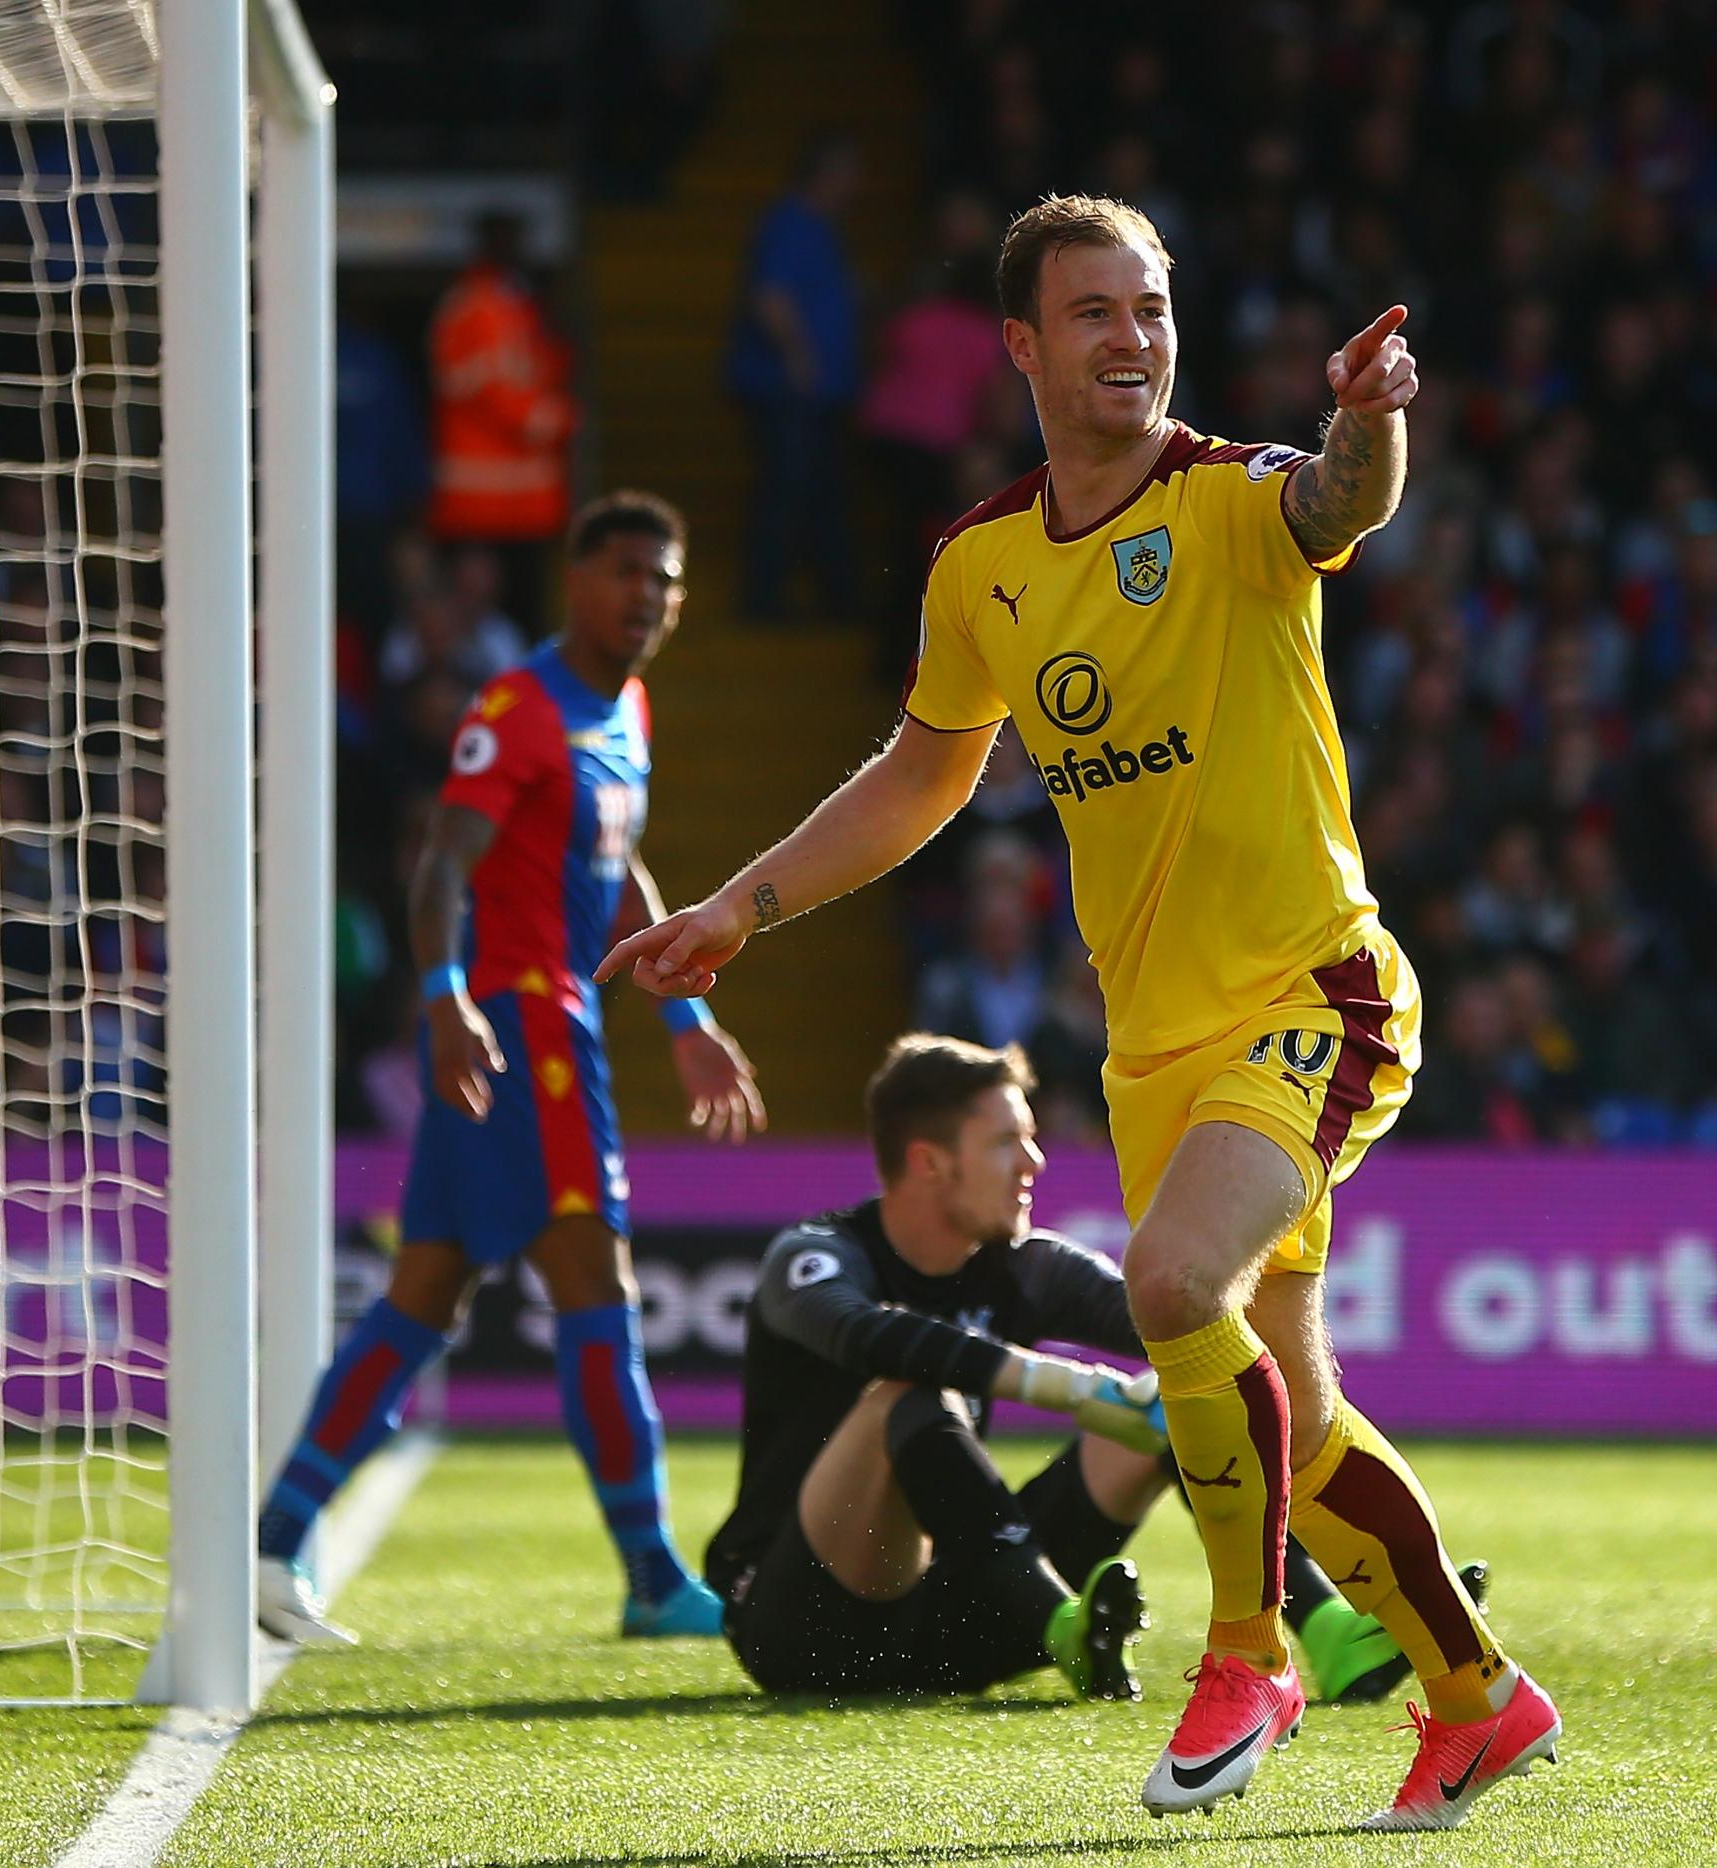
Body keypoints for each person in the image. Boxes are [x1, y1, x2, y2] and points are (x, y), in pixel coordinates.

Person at [603, 197, 1555, 1831]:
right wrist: (742, 903)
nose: (1136, 335)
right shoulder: (983, 567)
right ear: (1025, 346)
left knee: (1172, 1278)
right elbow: (920, 778)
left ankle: (1250, 1646)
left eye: (1155, 306)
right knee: (1294, 1422)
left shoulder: (1236, 494)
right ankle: (1477, 1693)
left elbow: (1342, 503)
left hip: (1315, 990)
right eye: (1098, 311)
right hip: (1155, 1049)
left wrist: (1363, 424)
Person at [257, 491, 765, 1646]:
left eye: (667, 579)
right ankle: (649, 1572)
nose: (648, 594)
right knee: (599, 1291)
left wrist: (682, 1016)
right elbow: (442, 863)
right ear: (577, 582)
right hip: (519, 1023)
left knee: (422, 1292)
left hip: (550, 1017)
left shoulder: (624, 706)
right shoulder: (518, 707)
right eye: (627, 570)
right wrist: (443, 999)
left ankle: (277, 1536)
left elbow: (617, 858)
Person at [708, 1032, 1478, 1708]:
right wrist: (1069, 1388)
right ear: (929, 1161)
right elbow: (867, 1337)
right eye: (1007, 1142)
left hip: (960, 1613)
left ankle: (1327, 1626)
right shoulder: (817, 1258)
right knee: (903, 1395)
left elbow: (1189, 1332)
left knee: (1187, 1387)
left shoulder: (1024, 1266)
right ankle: (1063, 1624)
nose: (1034, 1162)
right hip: (804, 1628)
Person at [727, 131, 864, 622]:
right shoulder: (791, 223)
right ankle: (764, 599)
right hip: (790, 391)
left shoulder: (823, 229)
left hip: (817, 392)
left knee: (819, 493)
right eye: (850, 171)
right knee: (788, 492)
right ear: (825, 172)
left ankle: (835, 595)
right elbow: (770, 297)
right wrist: (800, 356)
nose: (859, 183)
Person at [427, 211, 575, 632]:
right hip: (478, 506)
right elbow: (490, 390)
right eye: (504, 239)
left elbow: (546, 370)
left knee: (525, 624)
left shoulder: (521, 304)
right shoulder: (473, 306)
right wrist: (556, 419)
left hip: (525, 506)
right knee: (477, 628)